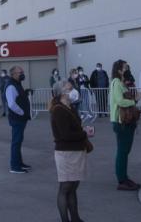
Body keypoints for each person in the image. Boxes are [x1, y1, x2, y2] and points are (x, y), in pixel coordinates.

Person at [49, 80, 92, 222]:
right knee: (66, 187)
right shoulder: (58, 110)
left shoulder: (69, 107)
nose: (72, 89)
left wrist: (83, 132)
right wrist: (84, 133)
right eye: (69, 87)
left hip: (76, 151)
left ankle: (75, 218)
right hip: (66, 153)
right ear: (62, 92)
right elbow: (65, 135)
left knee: (73, 186)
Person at [110, 59, 141, 190]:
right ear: (119, 70)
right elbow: (119, 101)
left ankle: (124, 177)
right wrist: (134, 100)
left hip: (126, 121)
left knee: (125, 151)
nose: (127, 69)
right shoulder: (116, 82)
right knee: (123, 151)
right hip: (121, 121)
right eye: (125, 67)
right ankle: (122, 180)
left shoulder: (122, 83)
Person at [5, 65, 32, 174]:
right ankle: (15, 166)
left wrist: (25, 93)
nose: (22, 74)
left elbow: (18, 97)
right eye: (20, 72)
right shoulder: (11, 86)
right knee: (16, 142)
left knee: (18, 141)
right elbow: (11, 103)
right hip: (17, 118)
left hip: (20, 118)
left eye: (22, 72)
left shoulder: (17, 84)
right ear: (14, 74)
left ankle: (19, 163)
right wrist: (22, 112)